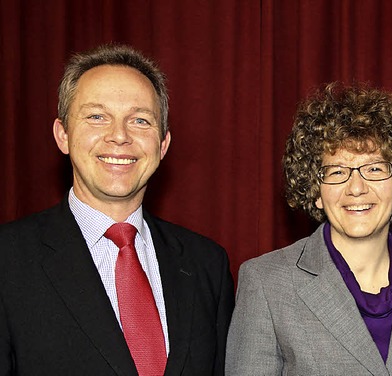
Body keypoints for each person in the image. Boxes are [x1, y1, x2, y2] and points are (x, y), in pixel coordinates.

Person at [0, 44, 235, 375]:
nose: (120, 136)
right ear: (62, 135)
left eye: (140, 120)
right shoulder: (8, 260)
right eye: (97, 117)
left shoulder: (207, 264)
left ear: (163, 144)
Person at [226, 82, 392, 375]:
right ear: (316, 190)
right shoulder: (266, 283)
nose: (356, 188)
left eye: (374, 168)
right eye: (337, 171)